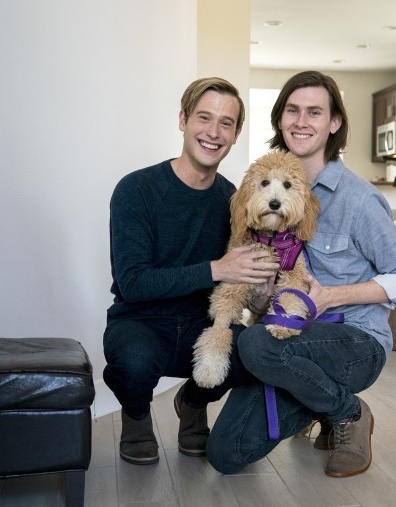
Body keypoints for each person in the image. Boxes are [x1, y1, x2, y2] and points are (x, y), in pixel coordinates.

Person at [206, 70, 396, 477]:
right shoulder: (263, 189)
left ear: (333, 123)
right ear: (280, 119)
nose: (301, 121)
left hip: (354, 342)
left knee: (255, 344)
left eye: (314, 112)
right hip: (286, 343)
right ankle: (316, 402)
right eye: (292, 110)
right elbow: (257, 289)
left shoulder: (358, 200)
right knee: (226, 453)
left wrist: (332, 297)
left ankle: (348, 412)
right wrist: (257, 293)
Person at [103, 77, 279, 466]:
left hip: (204, 325)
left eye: (226, 123)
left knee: (252, 349)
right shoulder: (136, 190)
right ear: (183, 120)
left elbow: (239, 278)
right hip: (141, 321)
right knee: (132, 362)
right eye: (204, 117)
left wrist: (262, 294)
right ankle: (135, 416)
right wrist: (217, 268)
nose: (214, 132)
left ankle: (193, 402)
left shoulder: (236, 200)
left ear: (236, 135)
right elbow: (132, 283)